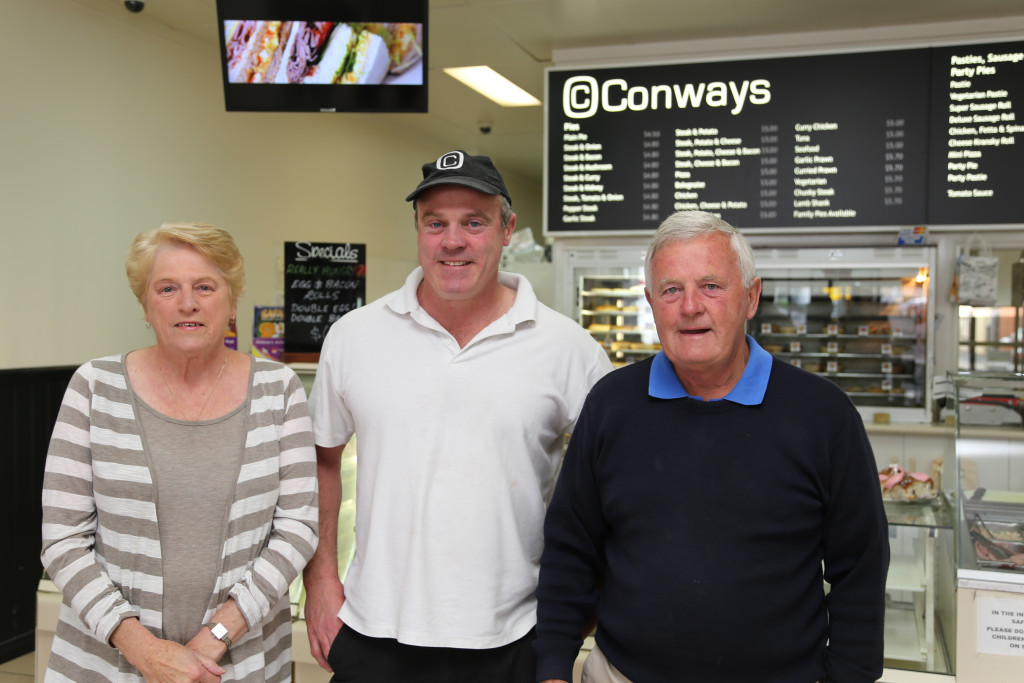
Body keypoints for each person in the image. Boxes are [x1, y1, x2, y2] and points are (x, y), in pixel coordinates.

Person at [534, 211, 889, 683]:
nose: (690, 307)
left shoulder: (824, 415)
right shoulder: (611, 405)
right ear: (650, 302)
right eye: (671, 289)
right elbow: (570, 548)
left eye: (711, 286)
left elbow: (860, 567)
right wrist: (555, 667)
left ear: (751, 297)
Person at [303, 150, 613, 683]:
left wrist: (586, 595)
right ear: (418, 230)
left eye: (474, 222)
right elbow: (321, 460)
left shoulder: (569, 349)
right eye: (436, 223)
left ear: (507, 228)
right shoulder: (354, 336)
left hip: (514, 635)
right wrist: (322, 581)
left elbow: (610, 487)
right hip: (374, 630)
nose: (453, 241)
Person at [40, 222, 319, 682]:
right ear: (145, 305)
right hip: (106, 665)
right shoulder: (93, 387)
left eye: (205, 287)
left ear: (231, 302)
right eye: (167, 288)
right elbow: (63, 539)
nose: (187, 302)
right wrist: (145, 651)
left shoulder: (279, 389)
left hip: (239, 664)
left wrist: (213, 638)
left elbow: (298, 528)